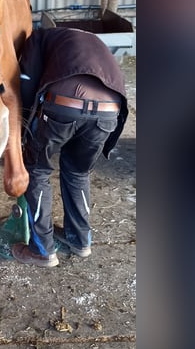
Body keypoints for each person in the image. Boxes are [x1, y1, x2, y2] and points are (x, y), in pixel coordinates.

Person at [13, 27, 129, 267]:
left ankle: (42, 250)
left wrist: (24, 128)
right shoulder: (92, 39)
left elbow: (26, 79)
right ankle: (80, 240)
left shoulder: (39, 36)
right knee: (77, 173)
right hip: (109, 113)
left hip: (64, 106)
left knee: (37, 171)